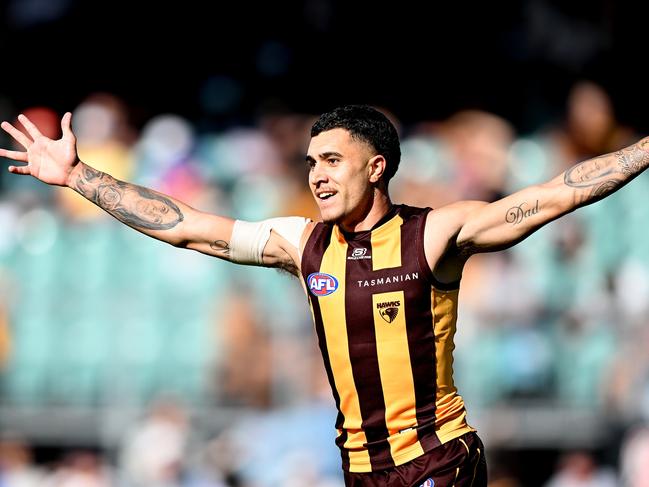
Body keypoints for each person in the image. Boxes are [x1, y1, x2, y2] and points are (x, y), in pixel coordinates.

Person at [2, 104, 649, 487]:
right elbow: (188, 227)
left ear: (376, 166)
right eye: (311, 161)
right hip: (361, 470)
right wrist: (80, 176)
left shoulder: (436, 233)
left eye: (332, 160)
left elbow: (558, 193)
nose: (316, 174)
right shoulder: (302, 243)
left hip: (439, 459)